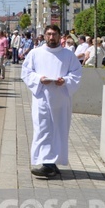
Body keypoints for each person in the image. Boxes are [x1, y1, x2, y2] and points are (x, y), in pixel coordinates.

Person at [21, 24, 82, 178]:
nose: (51, 37)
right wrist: (39, 79)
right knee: (43, 129)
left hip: (61, 99)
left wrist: (66, 81)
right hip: (42, 98)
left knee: (58, 130)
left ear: (60, 36)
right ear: (44, 35)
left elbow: (76, 73)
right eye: (48, 34)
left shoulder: (68, 55)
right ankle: (47, 164)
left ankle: (52, 163)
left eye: (54, 34)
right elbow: (27, 72)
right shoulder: (35, 53)